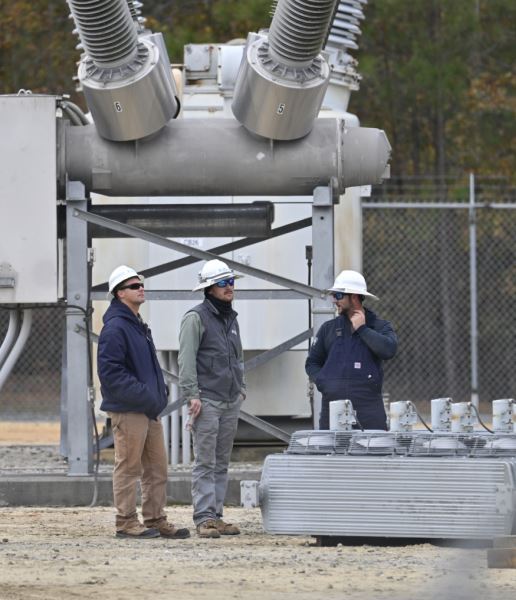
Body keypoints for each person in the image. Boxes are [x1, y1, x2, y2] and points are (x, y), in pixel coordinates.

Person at [97, 265, 190, 540]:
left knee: (156, 468)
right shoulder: (115, 328)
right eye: (134, 286)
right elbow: (111, 372)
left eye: (141, 284)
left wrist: (154, 397)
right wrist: (145, 395)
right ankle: (125, 522)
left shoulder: (137, 325)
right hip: (129, 409)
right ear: (120, 293)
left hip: (147, 409)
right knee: (129, 466)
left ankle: (155, 518)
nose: (141, 289)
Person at [178, 259, 246, 538]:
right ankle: (204, 517)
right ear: (209, 288)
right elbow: (186, 360)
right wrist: (192, 395)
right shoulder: (195, 318)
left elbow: (237, 356)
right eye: (222, 283)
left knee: (221, 462)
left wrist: (241, 386)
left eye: (231, 282)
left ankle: (215, 515)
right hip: (207, 401)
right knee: (206, 462)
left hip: (230, 400)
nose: (229, 287)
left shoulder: (231, 318)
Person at [305, 270, 397, 430]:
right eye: (333, 295)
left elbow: (389, 350)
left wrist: (362, 329)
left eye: (338, 295)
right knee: (330, 453)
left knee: (373, 451)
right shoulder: (329, 329)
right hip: (332, 410)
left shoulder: (380, 326)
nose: (334, 300)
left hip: (369, 409)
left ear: (354, 297)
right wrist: (325, 383)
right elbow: (312, 363)